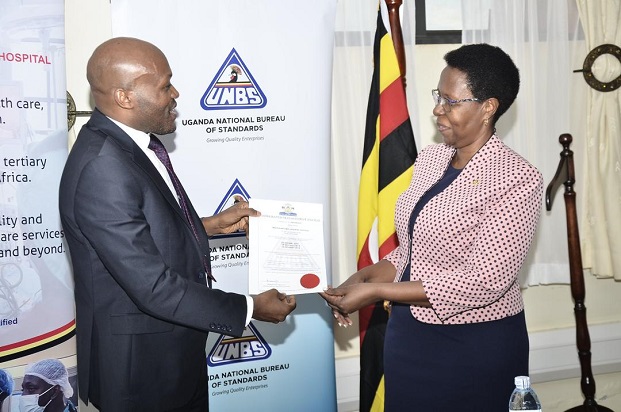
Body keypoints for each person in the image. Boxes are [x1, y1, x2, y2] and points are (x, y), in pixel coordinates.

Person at [58, 37, 296, 411]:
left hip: (171, 357)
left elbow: (140, 231)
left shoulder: (130, 146)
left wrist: (211, 226)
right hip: (142, 375)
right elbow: (153, 287)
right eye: (165, 85)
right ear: (125, 97)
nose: (176, 93)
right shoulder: (104, 165)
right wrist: (249, 309)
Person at [321, 43, 543, 410]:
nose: (438, 109)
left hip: (473, 346)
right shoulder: (431, 157)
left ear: (488, 107)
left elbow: (484, 282)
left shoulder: (516, 177)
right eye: (438, 96)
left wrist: (377, 292)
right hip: (409, 336)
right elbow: (413, 250)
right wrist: (362, 278)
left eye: (451, 101)